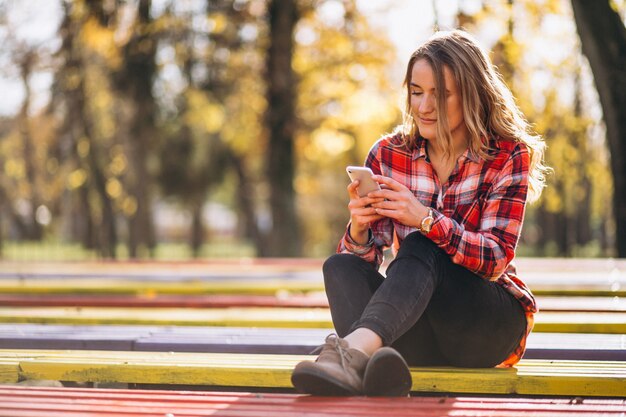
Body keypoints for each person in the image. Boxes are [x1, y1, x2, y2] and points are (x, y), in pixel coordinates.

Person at [291, 29, 549, 397]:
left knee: (423, 246)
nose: (424, 106)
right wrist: (360, 229)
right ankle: (382, 368)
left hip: (484, 328)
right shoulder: (389, 154)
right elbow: (363, 261)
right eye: (416, 92)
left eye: (441, 94)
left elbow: (494, 258)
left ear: (471, 94)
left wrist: (426, 219)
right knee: (340, 267)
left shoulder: (508, 155)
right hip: (418, 330)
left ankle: (351, 352)